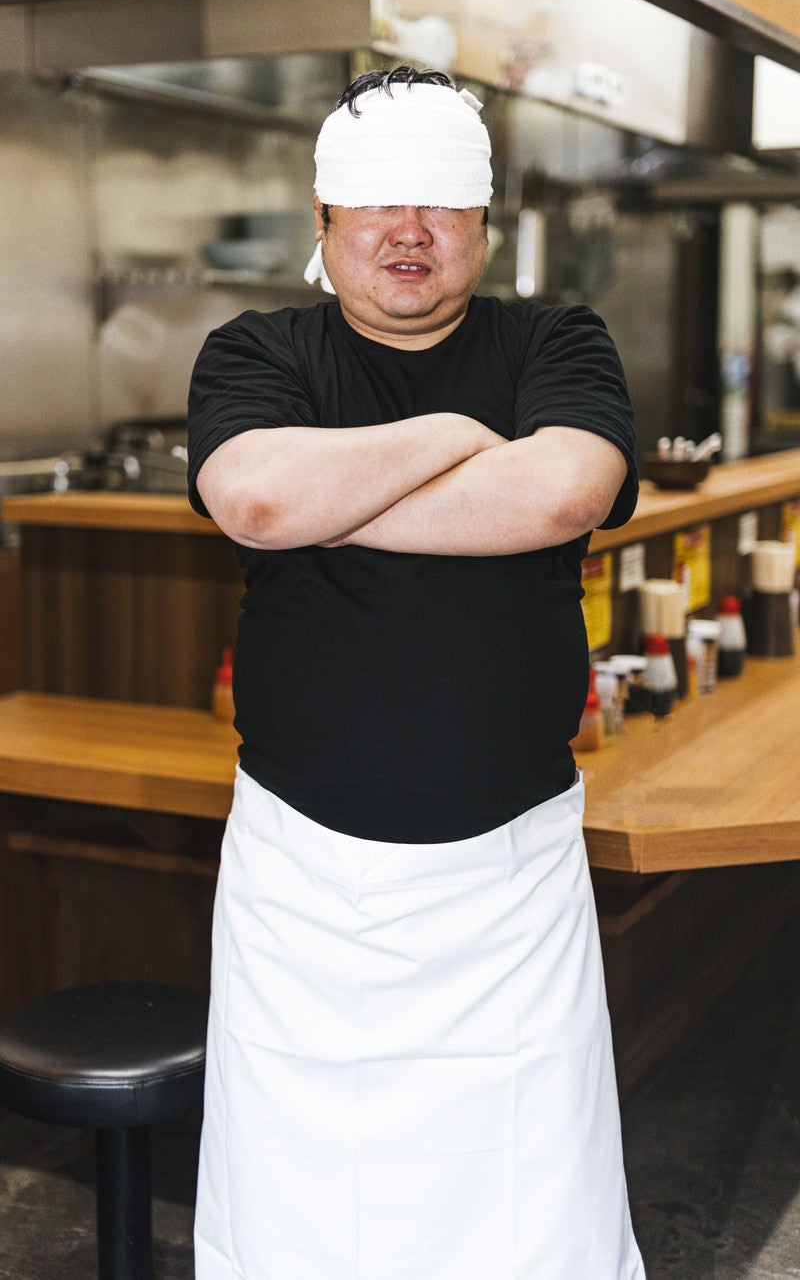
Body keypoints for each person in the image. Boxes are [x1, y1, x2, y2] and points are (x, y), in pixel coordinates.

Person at [188, 64, 646, 1280]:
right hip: (303, 875)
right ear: (324, 220)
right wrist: (452, 440)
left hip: (509, 879)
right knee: (300, 1205)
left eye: (440, 201)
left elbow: (562, 489)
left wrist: (331, 498)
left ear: (481, 223)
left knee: (525, 1208)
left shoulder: (553, 335)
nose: (409, 230)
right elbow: (255, 494)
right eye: (377, 201)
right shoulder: (256, 350)